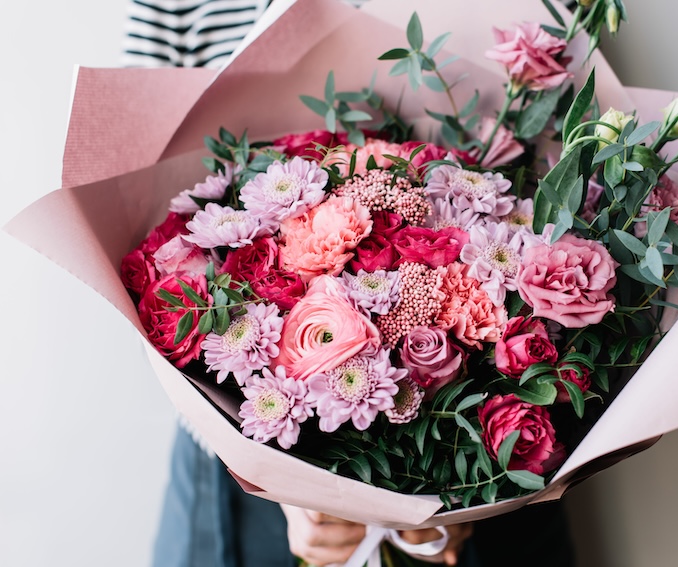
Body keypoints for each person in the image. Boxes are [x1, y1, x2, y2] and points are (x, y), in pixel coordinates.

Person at [123, 1, 576, 565]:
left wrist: (461, 496)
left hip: (481, 461)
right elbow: (131, 194)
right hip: (239, 461)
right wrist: (282, 482)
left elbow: (559, 163)